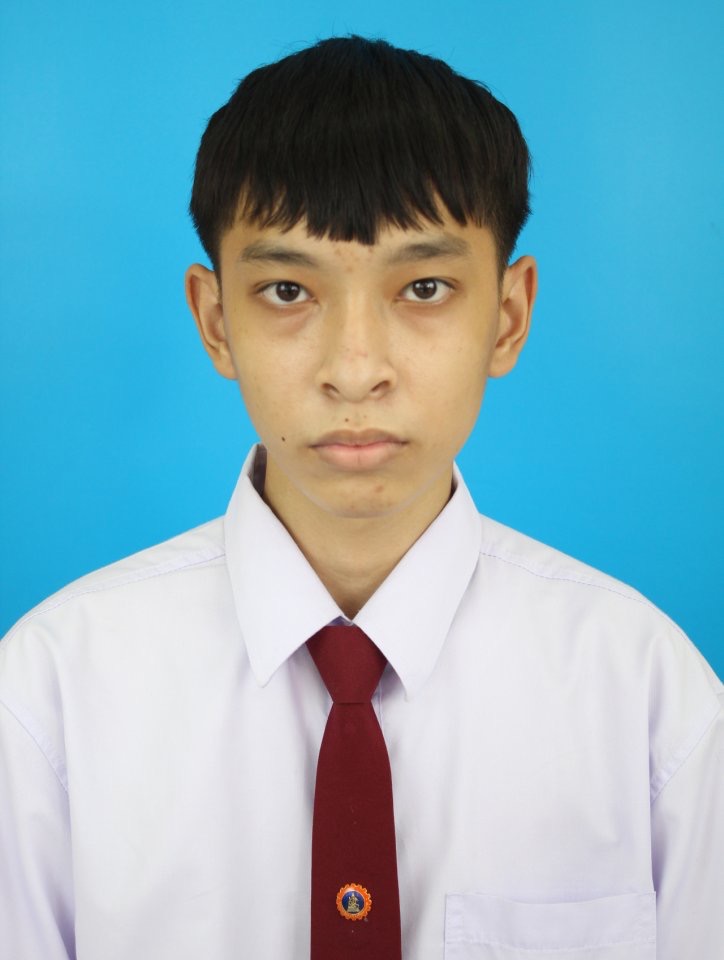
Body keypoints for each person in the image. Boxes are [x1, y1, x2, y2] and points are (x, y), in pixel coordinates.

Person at [0, 35, 721, 960]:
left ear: (508, 316)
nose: (355, 369)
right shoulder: (48, 701)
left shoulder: (652, 702)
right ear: (215, 321)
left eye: (423, 286)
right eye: (286, 290)